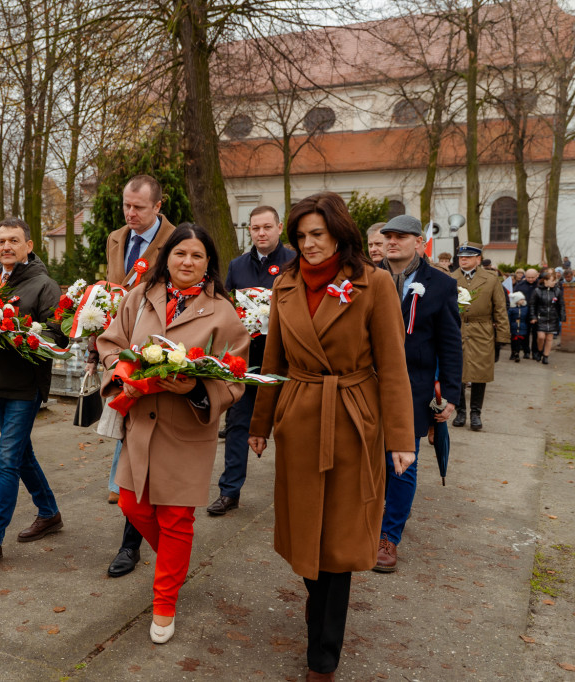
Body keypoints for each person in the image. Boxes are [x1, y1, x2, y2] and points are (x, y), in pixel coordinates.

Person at [248, 192, 414, 682]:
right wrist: (260, 424)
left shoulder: (374, 283)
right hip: (299, 417)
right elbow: (273, 359)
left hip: (352, 418)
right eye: (301, 236)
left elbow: (393, 365)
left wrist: (400, 438)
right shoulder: (286, 284)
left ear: (340, 233)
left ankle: (324, 655)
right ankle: (315, 602)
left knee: (338, 539)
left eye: (317, 234)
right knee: (305, 533)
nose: (309, 244)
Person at [96, 223, 250, 644]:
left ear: (208, 263)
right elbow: (110, 343)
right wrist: (122, 375)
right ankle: (174, 563)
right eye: (181, 253)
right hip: (140, 424)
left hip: (187, 429)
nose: (187, 261)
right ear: (167, 257)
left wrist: (195, 389)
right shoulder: (140, 296)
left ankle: (165, 602)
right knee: (132, 503)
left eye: (197, 255)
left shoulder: (222, 312)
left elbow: (235, 377)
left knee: (177, 517)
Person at [0, 218, 67, 569]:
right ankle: (49, 512)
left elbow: (58, 336)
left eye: (13, 240)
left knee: (7, 460)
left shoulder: (44, 285)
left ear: (29, 245)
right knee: (21, 455)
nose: (6, 246)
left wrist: (20, 334)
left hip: (25, 386)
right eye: (1, 241)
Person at [373, 216, 462, 573]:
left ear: (419, 243)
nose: (391, 242)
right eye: (388, 236)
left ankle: (388, 537)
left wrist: (450, 394)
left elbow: (450, 343)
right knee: (368, 458)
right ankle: (366, 521)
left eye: (400, 236)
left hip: (414, 385)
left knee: (401, 462)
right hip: (367, 383)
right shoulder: (366, 277)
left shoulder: (440, 285)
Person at [99, 174, 176, 578]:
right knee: (129, 448)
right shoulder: (117, 238)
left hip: (158, 354)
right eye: (126, 205)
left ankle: (142, 543)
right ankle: (134, 541)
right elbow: (113, 293)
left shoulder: (177, 241)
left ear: (158, 206)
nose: (130, 213)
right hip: (121, 350)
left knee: (145, 455)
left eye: (139, 207)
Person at [207, 206, 294, 516]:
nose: (261, 233)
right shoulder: (237, 265)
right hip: (246, 359)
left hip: (284, 360)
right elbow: (226, 307)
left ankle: (292, 492)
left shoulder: (294, 263)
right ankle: (229, 491)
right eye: (255, 228)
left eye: (267, 227)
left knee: (289, 427)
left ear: (279, 228)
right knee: (237, 424)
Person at [450, 242, 510, 431]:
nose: (463, 260)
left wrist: (502, 338)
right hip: (457, 328)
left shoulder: (491, 279)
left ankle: (476, 413)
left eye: (468, 257)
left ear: (478, 259)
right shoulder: (450, 278)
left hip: (482, 330)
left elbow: (500, 308)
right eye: (461, 257)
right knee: (457, 372)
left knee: (480, 373)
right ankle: (460, 411)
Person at [529, 268, 565, 365]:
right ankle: (540, 351)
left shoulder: (557, 291)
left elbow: (561, 304)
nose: (554, 282)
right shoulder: (537, 291)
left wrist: (562, 316)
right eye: (552, 280)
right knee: (541, 337)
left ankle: (546, 356)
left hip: (552, 318)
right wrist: (533, 317)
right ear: (545, 281)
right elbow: (532, 305)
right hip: (541, 317)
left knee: (549, 338)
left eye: (555, 280)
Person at [515, 269, 540, 359]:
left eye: (532, 277)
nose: (530, 279)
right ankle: (526, 351)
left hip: (537, 312)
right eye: (528, 277)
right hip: (524, 311)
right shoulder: (520, 285)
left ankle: (535, 352)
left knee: (536, 333)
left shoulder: (540, 285)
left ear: (537, 276)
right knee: (525, 333)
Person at [508, 292, 530, 362]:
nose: (522, 301)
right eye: (521, 299)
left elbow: (527, 317)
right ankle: (513, 352)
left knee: (519, 341)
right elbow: (508, 318)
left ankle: (517, 353)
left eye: (523, 299)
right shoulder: (512, 309)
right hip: (514, 327)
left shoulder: (526, 308)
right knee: (514, 341)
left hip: (522, 327)